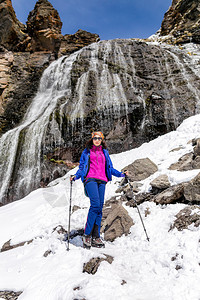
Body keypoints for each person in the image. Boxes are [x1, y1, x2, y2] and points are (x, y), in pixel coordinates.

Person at [70, 131, 128, 249]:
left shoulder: (105, 152)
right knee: (95, 205)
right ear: (92, 139)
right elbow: (81, 168)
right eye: (95, 138)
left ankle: (95, 236)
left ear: (102, 140)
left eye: (99, 138)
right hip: (90, 179)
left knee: (99, 208)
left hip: (102, 181)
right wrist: (76, 176)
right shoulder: (86, 152)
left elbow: (110, 168)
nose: (97, 140)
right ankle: (87, 234)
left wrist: (122, 174)